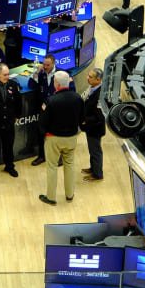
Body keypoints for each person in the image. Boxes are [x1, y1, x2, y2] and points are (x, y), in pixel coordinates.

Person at [39, 70, 83, 205]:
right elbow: (82, 118)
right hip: (71, 138)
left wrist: (44, 133)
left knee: (52, 167)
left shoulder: (51, 101)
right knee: (69, 165)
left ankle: (51, 197)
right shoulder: (77, 98)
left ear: (56, 84)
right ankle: (70, 195)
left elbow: (43, 122)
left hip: (54, 138)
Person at [30, 54, 74, 166]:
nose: (45, 67)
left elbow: (72, 90)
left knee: (57, 134)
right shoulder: (41, 74)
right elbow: (30, 85)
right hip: (44, 110)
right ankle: (42, 156)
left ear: (54, 63)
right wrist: (36, 72)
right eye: (44, 64)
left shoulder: (63, 74)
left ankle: (59, 157)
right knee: (41, 132)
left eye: (48, 65)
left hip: (58, 109)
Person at [81, 68, 105, 182]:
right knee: (92, 150)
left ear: (98, 80)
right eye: (88, 76)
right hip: (90, 128)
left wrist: (85, 120)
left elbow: (100, 117)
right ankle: (93, 168)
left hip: (95, 128)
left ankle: (97, 174)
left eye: (90, 77)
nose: (87, 78)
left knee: (95, 151)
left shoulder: (100, 95)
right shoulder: (93, 88)